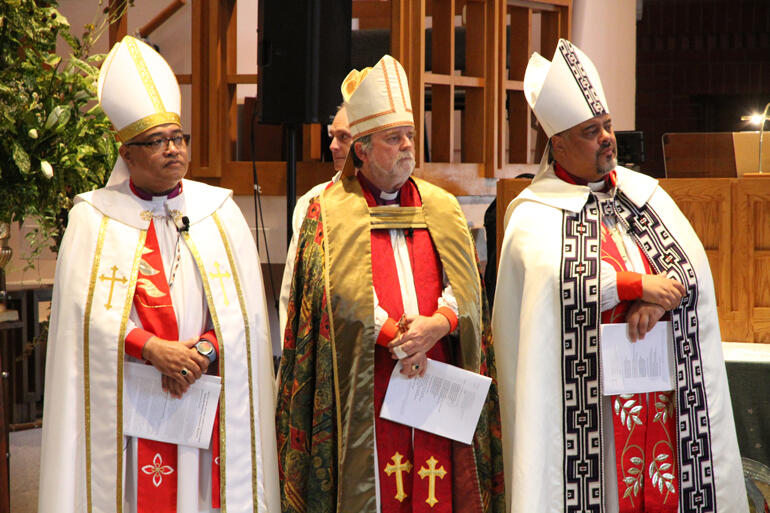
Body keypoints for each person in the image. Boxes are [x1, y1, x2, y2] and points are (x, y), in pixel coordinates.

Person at [493, 39, 748, 513]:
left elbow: (690, 270)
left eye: (607, 126)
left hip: (661, 399)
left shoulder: (643, 193)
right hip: (591, 413)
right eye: (591, 131)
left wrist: (659, 298)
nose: (607, 137)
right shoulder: (532, 214)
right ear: (559, 144)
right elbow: (553, 282)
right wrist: (633, 285)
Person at [38, 36, 280, 513]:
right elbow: (80, 320)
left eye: (178, 138)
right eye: (157, 142)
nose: (173, 150)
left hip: (204, 397)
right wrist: (152, 348)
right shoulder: (93, 218)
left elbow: (246, 318)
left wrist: (203, 351)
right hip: (132, 406)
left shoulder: (219, 212)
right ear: (126, 153)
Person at [276, 55, 504, 513]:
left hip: (437, 373)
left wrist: (438, 324)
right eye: (393, 138)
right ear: (361, 149)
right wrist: (398, 339)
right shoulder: (329, 211)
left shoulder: (441, 206)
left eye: (409, 136)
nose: (406, 146)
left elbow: (467, 284)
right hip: (370, 379)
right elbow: (331, 295)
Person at [278, 104, 351, 340]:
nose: (332, 146)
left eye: (343, 137)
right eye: (332, 136)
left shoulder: (387, 203)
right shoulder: (312, 202)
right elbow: (292, 288)